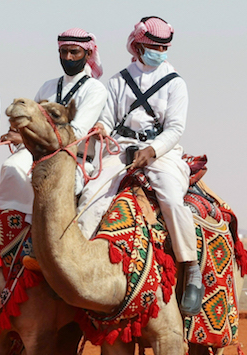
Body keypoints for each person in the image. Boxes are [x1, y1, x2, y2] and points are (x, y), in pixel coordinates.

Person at [83, 16, 203, 316]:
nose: (159, 51)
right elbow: (108, 119)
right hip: (121, 149)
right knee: (89, 197)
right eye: (152, 46)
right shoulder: (117, 80)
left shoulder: (176, 84)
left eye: (163, 47)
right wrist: (100, 128)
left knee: (173, 201)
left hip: (162, 152)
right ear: (137, 45)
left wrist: (153, 150)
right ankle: (78, 262)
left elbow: (175, 128)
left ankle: (191, 270)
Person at [0, 28, 107, 225]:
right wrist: (20, 132)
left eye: (74, 52)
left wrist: (28, 135)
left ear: (88, 54)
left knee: (53, 186)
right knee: (11, 167)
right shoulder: (48, 86)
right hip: (36, 153)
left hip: (72, 158)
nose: (68, 57)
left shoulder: (95, 89)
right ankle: (21, 223)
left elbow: (76, 133)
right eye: (63, 52)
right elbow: (31, 122)